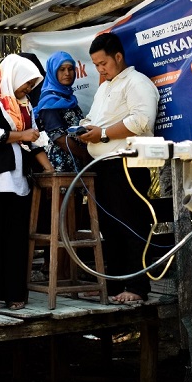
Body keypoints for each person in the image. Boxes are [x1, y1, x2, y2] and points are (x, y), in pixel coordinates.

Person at [0, 54, 53, 313]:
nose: (28, 89)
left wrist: (50, 170)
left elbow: (34, 139)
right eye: (26, 83)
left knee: (15, 240)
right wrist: (22, 135)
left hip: (18, 182)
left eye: (31, 85)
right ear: (12, 76)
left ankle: (13, 293)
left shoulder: (24, 106)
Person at [78, 32, 159, 304]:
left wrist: (101, 134)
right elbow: (94, 118)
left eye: (103, 63)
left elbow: (142, 120)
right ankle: (115, 285)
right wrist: (85, 127)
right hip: (103, 166)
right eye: (96, 65)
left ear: (118, 57)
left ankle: (136, 287)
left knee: (131, 223)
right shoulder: (105, 87)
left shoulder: (137, 83)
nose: (100, 69)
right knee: (110, 228)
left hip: (127, 163)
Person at [34, 51, 92, 172]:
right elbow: (58, 137)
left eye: (70, 69)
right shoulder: (49, 100)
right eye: (62, 69)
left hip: (77, 162)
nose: (67, 73)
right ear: (53, 71)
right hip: (60, 165)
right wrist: (83, 154)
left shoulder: (69, 98)